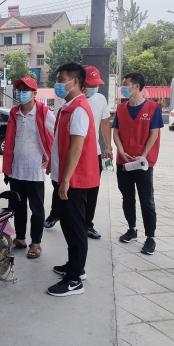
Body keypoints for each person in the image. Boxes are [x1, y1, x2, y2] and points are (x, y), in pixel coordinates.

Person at [47, 63, 100, 297]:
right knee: (68, 226)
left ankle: (75, 279)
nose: (57, 84)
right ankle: (74, 266)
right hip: (63, 177)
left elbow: (77, 148)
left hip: (75, 181)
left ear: (75, 82)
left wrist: (66, 180)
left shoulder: (79, 109)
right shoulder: (66, 108)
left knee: (76, 228)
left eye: (61, 80)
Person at [44, 67, 113, 238]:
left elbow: (105, 123)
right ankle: (56, 214)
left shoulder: (99, 99)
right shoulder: (69, 102)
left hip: (91, 152)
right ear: (80, 82)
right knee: (62, 187)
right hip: (72, 153)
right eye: (90, 84)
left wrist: (108, 146)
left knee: (89, 192)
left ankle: (87, 224)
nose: (93, 88)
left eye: (96, 85)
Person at [2, 76, 55, 259]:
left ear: (34, 93)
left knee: (37, 209)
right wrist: (7, 167)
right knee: (18, 206)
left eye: (25, 90)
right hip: (16, 168)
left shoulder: (44, 112)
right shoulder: (14, 113)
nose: (21, 93)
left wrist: (50, 157)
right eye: (19, 90)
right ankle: (20, 238)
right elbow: (10, 140)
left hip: (35, 169)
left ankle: (36, 243)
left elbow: (57, 136)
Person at [113, 72, 163, 255]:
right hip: (124, 161)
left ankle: (150, 237)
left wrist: (143, 155)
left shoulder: (153, 108)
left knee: (146, 200)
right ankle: (132, 229)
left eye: (125, 84)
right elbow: (116, 131)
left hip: (143, 163)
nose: (122, 87)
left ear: (136, 86)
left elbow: (154, 133)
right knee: (127, 197)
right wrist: (121, 151)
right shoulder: (121, 108)